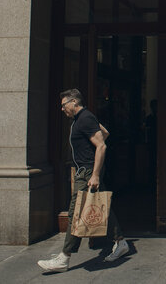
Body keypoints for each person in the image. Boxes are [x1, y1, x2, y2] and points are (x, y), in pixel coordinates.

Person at [38, 89, 129, 272]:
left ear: (74, 102)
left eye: (64, 105)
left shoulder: (85, 118)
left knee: (76, 213)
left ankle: (64, 257)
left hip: (87, 173)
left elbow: (102, 145)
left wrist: (95, 174)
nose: (62, 109)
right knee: (102, 208)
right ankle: (121, 242)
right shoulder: (84, 119)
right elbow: (105, 133)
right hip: (86, 171)